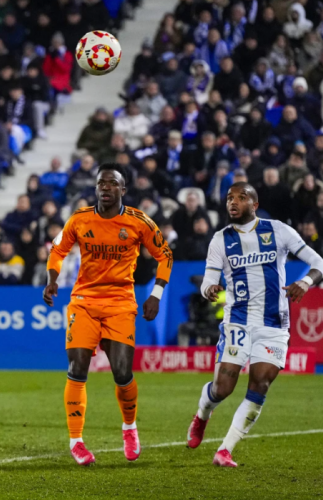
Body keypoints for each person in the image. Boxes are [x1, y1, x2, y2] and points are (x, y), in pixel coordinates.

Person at [44, 163, 173, 466]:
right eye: (101, 182)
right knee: (77, 367)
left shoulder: (138, 222)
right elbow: (58, 249)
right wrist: (52, 278)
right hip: (84, 302)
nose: (105, 187)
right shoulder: (79, 219)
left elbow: (164, 255)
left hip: (120, 303)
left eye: (112, 183)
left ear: (123, 190)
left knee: (121, 372)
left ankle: (129, 427)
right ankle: (76, 441)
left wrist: (156, 294)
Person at [186, 182, 323, 467]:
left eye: (241, 197)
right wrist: (209, 289)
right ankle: (202, 415)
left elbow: (318, 261)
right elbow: (209, 279)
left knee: (260, 383)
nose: (233, 202)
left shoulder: (278, 230)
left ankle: (225, 449)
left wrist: (305, 282)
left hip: (274, 323)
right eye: (229, 198)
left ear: (255, 204)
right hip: (238, 320)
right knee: (223, 388)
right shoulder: (220, 239)